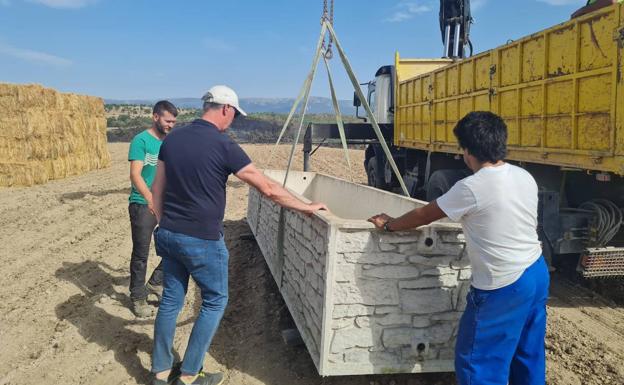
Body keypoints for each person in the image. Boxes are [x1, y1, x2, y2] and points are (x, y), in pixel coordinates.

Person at [150, 85, 328, 385]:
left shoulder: (172, 139)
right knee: (215, 300)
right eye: (233, 115)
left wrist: (164, 222)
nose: (232, 121)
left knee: (170, 299)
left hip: (168, 233)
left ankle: (161, 372)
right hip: (202, 240)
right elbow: (268, 188)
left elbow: (157, 189)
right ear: (225, 109)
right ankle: (191, 375)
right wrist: (306, 206)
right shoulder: (223, 145)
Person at [368, 111, 548, 385]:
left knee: (478, 361)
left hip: (503, 284)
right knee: (527, 354)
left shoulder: (471, 187)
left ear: (467, 151)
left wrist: (389, 225)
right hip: (536, 272)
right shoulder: (524, 176)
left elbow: (422, 216)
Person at [127, 100, 178, 318]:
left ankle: (157, 282)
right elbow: (135, 174)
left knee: (176, 245)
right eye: (167, 121)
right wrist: (150, 198)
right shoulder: (141, 141)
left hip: (166, 204)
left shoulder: (171, 142)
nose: (171, 125)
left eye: (174, 122)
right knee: (141, 254)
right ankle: (138, 298)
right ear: (155, 117)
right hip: (142, 203)